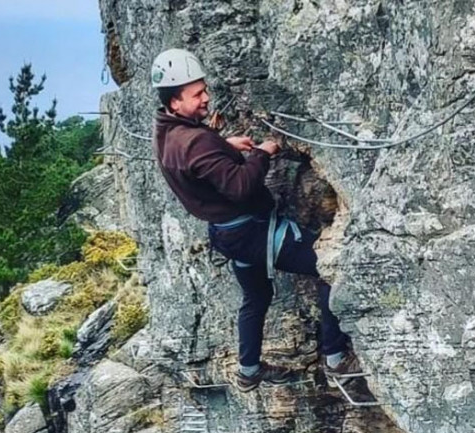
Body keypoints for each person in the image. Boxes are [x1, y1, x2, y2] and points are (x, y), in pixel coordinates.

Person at [150, 48, 359, 392]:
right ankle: (336, 358)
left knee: (257, 296)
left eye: (205, 89)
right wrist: (264, 151)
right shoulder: (196, 143)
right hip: (251, 232)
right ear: (175, 103)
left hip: (228, 236)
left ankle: (248, 371)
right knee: (328, 267)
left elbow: (194, 160)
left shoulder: (167, 133)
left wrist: (224, 147)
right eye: (197, 94)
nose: (206, 99)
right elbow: (242, 187)